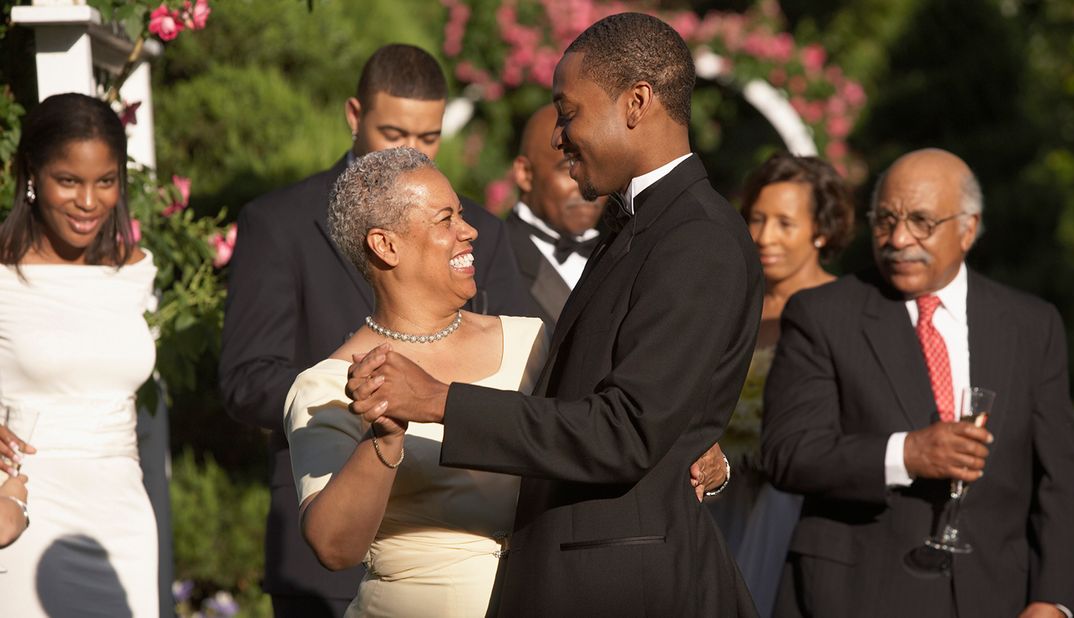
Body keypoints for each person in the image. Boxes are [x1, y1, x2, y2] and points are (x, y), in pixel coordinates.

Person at [347, 13, 762, 615]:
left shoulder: (696, 237)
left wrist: (441, 400)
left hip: (623, 587)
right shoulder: (643, 225)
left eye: (568, 113)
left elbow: (626, 432)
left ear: (636, 103)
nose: (559, 136)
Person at [219, 44, 532, 616]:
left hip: (506, 557)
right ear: (354, 115)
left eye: (429, 137)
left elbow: (530, 371)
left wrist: (441, 385)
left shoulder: (479, 230)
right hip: (333, 524)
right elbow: (246, 379)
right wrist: (352, 389)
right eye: (393, 132)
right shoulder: (278, 221)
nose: (411, 150)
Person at [761, 148, 1074, 618]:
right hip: (857, 594)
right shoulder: (824, 315)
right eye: (885, 220)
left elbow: (1059, 479)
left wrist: (1051, 600)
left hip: (997, 598)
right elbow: (788, 454)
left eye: (921, 221)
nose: (898, 238)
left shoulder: (1031, 325)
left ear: (968, 229)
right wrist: (906, 454)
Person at [282, 147, 545, 616]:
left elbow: (597, 435)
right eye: (446, 219)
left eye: (461, 214)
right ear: (385, 246)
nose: (470, 231)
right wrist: (383, 438)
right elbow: (334, 549)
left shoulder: (531, 342)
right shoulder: (327, 387)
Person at [0, 92, 159, 616]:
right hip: (23, 507)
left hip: (123, 516)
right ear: (32, 175)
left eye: (105, 181)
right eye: (68, 180)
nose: (89, 202)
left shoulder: (134, 271)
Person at [708, 153, 853, 617]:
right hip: (716, 500)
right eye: (757, 219)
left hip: (798, 508)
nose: (765, 237)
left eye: (785, 224)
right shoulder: (731, 304)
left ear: (822, 230)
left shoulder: (847, 311)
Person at [505, 104, 603, 332]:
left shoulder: (625, 254)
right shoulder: (488, 259)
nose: (589, 188)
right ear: (525, 173)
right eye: (570, 168)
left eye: (599, 168)